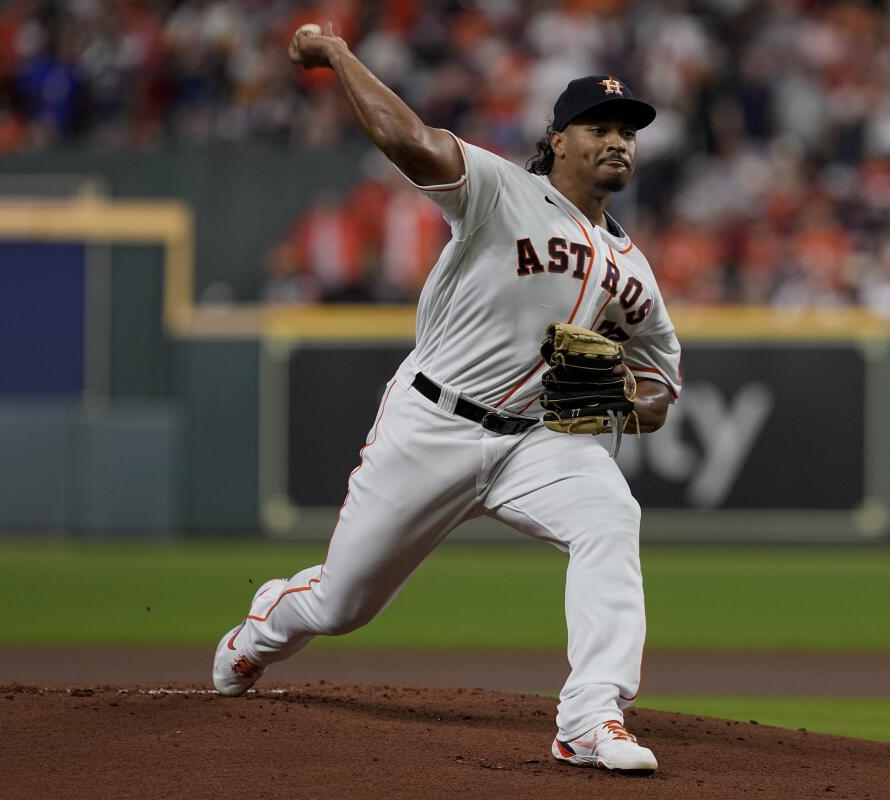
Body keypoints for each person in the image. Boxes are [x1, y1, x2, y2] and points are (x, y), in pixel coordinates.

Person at [212, 23, 681, 777]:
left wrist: (626, 395)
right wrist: (336, 54)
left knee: (611, 516)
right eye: (599, 127)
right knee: (343, 606)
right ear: (557, 140)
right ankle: (262, 628)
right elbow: (410, 141)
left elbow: (660, 387)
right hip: (434, 422)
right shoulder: (501, 191)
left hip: (537, 441)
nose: (618, 141)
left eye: (628, 131)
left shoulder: (635, 274)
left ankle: (592, 716)